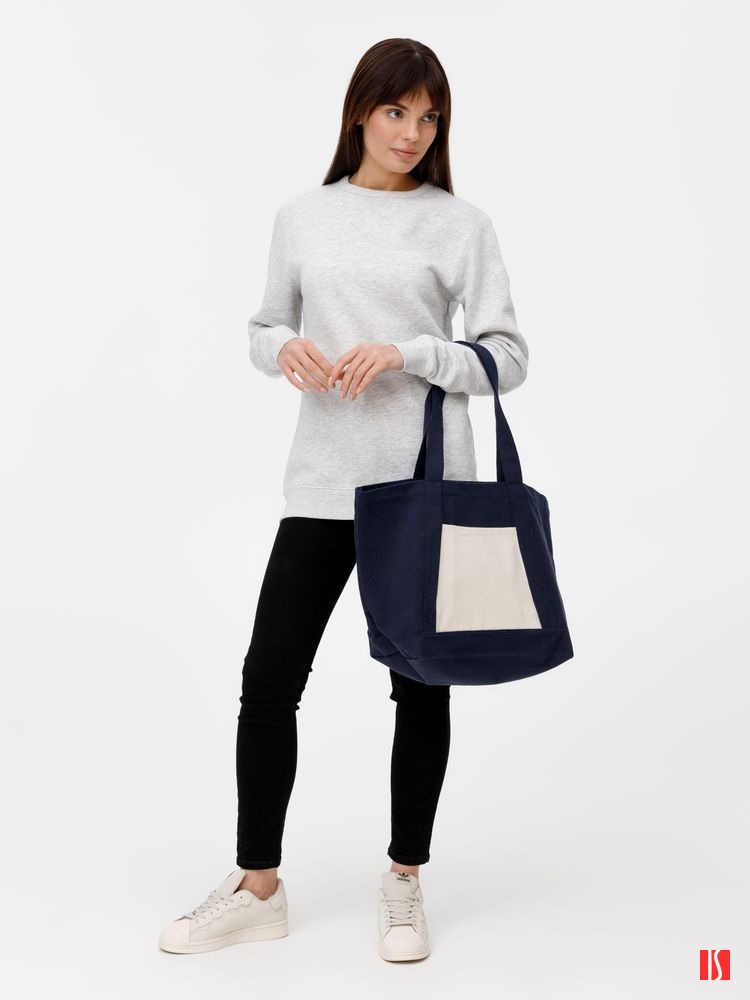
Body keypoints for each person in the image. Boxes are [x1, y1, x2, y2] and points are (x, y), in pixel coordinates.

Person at [158, 36, 528, 962]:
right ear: (361, 111)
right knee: (268, 681)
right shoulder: (304, 217)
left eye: (429, 117)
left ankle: (404, 879)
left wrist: (408, 352)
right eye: (397, 111)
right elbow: (263, 322)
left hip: (424, 487)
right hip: (323, 481)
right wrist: (280, 348)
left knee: (420, 686)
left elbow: (507, 358)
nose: (413, 132)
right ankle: (257, 886)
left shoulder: (460, 225)